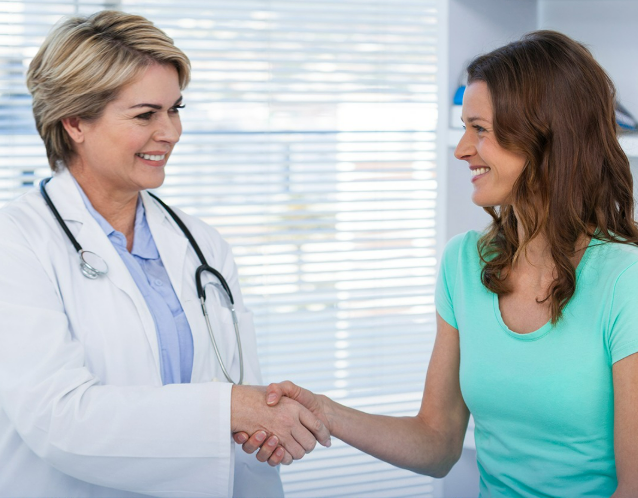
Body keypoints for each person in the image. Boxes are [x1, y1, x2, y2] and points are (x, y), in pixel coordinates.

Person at [235, 31, 638, 497]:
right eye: (464, 127)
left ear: (544, 135)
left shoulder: (624, 280)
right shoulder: (464, 263)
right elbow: (437, 442)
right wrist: (325, 412)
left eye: (479, 129)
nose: (462, 148)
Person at [0, 10, 330, 498]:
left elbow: (248, 417)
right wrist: (228, 408)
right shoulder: (16, 243)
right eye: (145, 115)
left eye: (175, 109)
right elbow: (59, 419)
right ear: (74, 122)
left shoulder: (202, 245)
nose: (171, 132)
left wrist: (257, 427)